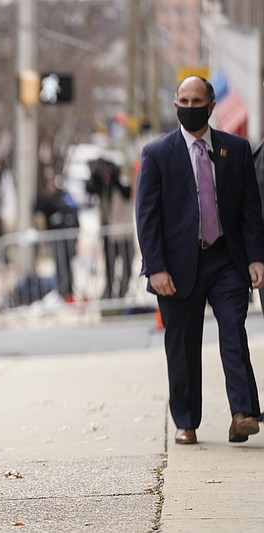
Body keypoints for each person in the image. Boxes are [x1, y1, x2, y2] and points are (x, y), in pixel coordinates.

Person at [135, 75, 264, 446]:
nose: (190, 108)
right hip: (176, 267)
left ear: (211, 105)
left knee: (233, 334)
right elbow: (147, 217)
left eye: (197, 102)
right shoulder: (157, 154)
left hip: (227, 259)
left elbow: (250, 212)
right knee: (183, 345)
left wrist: (256, 257)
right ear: (175, 105)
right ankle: (186, 422)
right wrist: (155, 267)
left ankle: (243, 413)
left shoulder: (236, 150)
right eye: (183, 101)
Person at [87, 158, 134, 299]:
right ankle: (109, 297)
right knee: (109, 270)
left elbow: (127, 193)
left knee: (127, 269)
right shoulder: (103, 186)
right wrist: (95, 176)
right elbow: (90, 190)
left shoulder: (121, 183)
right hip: (108, 235)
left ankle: (121, 295)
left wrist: (114, 177)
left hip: (124, 235)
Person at [33, 167, 79, 301]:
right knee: (60, 265)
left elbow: (73, 210)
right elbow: (37, 211)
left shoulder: (62, 194)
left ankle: (69, 292)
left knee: (68, 264)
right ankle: (63, 292)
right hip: (54, 236)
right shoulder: (43, 197)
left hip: (67, 235)